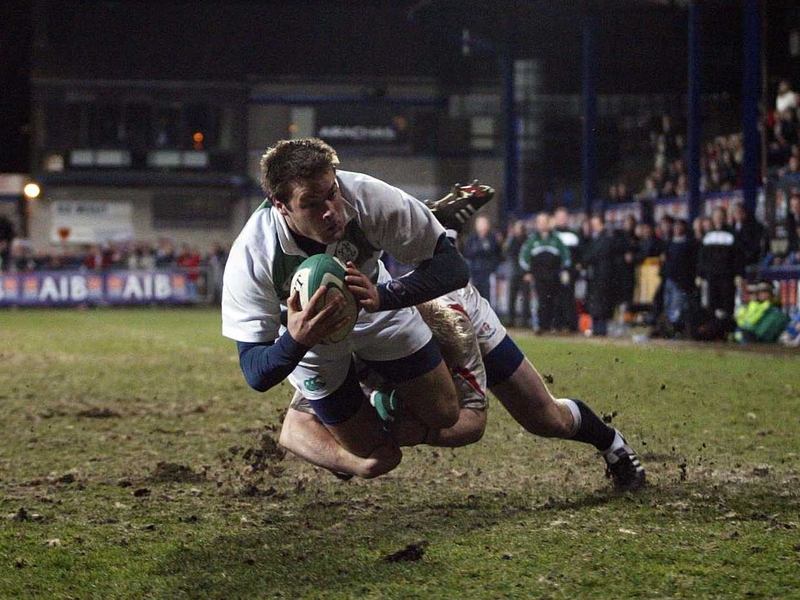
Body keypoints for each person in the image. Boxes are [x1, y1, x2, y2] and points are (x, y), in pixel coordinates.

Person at [222, 138, 468, 462]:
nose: (330, 211)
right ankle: (299, 426)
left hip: (376, 306)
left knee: (446, 414)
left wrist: (385, 295)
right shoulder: (254, 252)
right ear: (280, 206)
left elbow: (453, 268)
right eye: (311, 203)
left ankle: (378, 395)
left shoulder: (369, 197)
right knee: (377, 456)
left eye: (332, 193)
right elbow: (255, 372)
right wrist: (295, 340)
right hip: (312, 341)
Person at [280, 279, 646, 490]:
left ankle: (611, 442)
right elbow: (293, 429)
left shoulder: (453, 332)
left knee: (544, 418)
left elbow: (474, 420)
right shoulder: (354, 339)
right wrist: (353, 460)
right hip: (388, 341)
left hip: (460, 307)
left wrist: (420, 433)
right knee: (346, 437)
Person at [519, 213, 570, 333]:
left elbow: (565, 256)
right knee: (540, 301)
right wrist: (527, 272)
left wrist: (564, 270)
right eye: (539, 222)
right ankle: (541, 326)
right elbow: (523, 257)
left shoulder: (556, 240)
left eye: (544, 222)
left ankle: (555, 326)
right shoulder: (532, 240)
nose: (542, 224)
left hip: (553, 275)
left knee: (554, 301)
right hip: (538, 276)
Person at [697, 206, 743, 321]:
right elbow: (702, 258)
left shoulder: (732, 234)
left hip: (727, 275)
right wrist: (699, 274)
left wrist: (739, 274)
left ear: (725, 217)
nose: (718, 219)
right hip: (711, 275)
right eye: (716, 216)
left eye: (721, 216)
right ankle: (714, 329)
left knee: (727, 302)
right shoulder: (707, 236)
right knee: (712, 303)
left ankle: (727, 328)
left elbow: (738, 256)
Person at [581, 215, 617, 336]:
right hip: (595, 276)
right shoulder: (594, 239)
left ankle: (601, 329)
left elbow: (593, 255)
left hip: (603, 276)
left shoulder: (606, 239)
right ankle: (596, 328)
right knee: (595, 303)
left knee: (601, 303)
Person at [552, 207, 582, 331]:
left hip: (569, 271)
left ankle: (570, 324)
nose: (562, 220)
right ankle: (557, 324)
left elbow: (578, 254)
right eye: (559, 217)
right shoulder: (551, 234)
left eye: (564, 217)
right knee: (555, 297)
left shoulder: (574, 234)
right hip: (554, 271)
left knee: (569, 297)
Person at [462, 214, 502, 302]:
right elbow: (467, 253)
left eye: (484, 224)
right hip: (475, 273)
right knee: (475, 299)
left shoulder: (493, 239)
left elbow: (497, 254)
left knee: (489, 298)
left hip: (488, 273)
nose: (482, 227)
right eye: (480, 224)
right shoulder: (472, 239)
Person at [501, 220, 531, 327]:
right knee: (511, 297)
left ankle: (525, 321)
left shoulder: (527, 240)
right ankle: (510, 319)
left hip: (524, 272)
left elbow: (528, 257)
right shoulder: (511, 240)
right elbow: (505, 252)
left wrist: (528, 272)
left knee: (525, 298)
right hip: (513, 271)